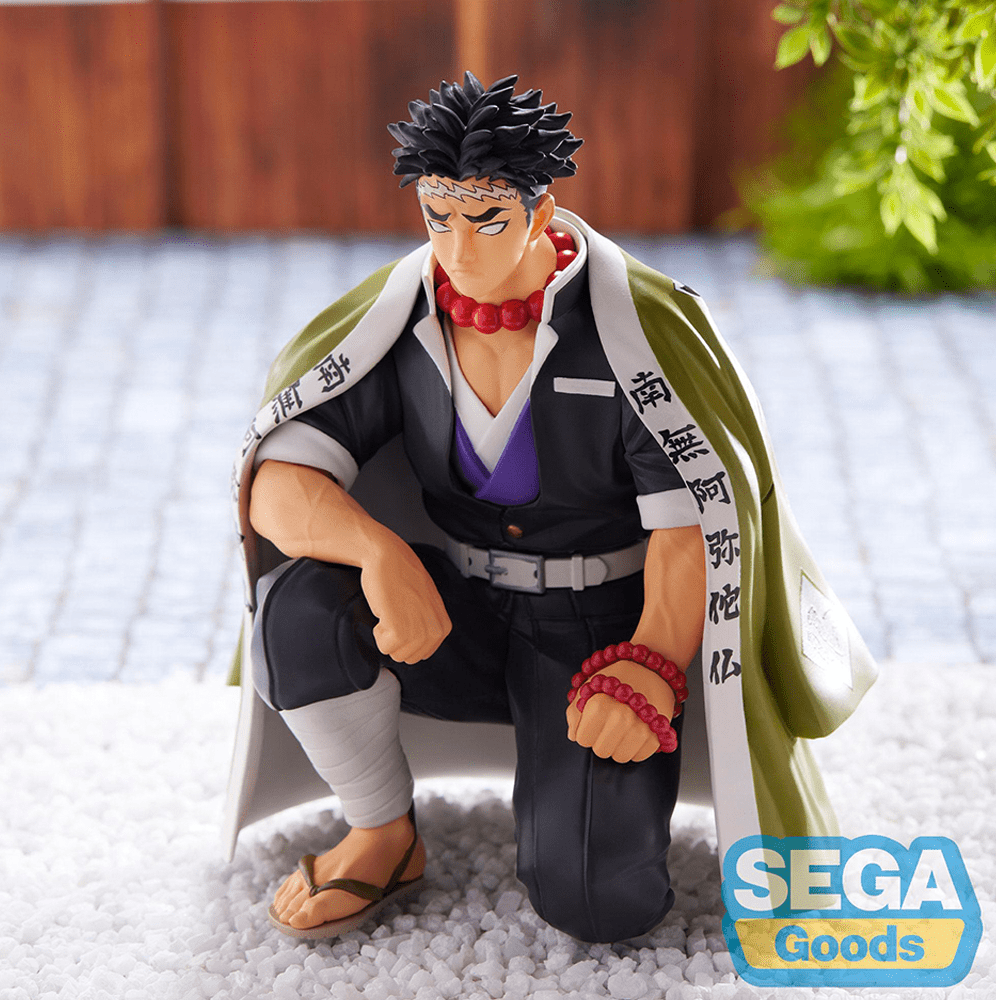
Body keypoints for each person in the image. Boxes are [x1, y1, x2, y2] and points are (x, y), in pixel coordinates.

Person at [227, 73, 877, 944]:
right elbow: (276, 478)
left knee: (600, 900)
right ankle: (381, 829)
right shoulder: (399, 318)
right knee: (299, 607)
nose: (458, 249)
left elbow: (695, 521)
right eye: (437, 218)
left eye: (487, 220)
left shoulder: (632, 330)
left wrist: (650, 661)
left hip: (597, 630)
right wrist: (379, 552)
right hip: (452, 611)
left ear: (542, 210)